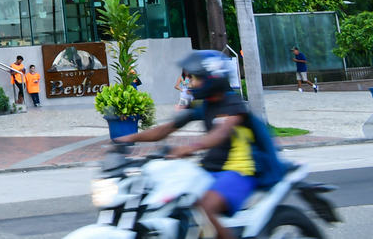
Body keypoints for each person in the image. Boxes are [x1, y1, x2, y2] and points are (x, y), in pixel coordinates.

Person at [117, 50, 280, 239]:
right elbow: (166, 129)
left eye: (196, 78)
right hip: (209, 171)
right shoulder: (205, 105)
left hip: (238, 172)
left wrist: (190, 147)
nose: (192, 83)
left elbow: (221, 133)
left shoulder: (233, 104)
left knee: (206, 206)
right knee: (170, 196)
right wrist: (127, 139)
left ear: (213, 78)